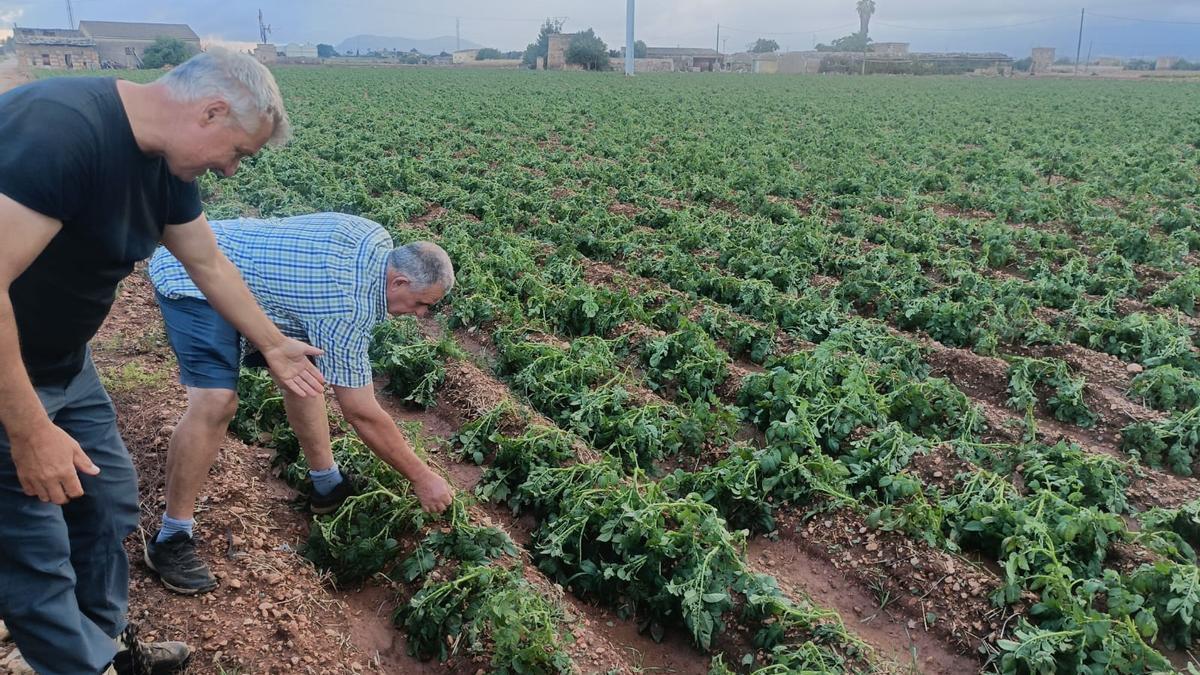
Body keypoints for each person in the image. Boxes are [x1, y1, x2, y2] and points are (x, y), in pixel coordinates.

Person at [0, 49, 328, 675]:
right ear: (210, 111)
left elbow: (207, 262)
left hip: (64, 362)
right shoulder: (62, 131)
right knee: (33, 544)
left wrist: (274, 342)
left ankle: (106, 647)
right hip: (9, 374)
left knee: (109, 500)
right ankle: (78, 662)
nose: (232, 171)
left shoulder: (163, 167)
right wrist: (28, 429)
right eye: (239, 152)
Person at [144, 213, 456, 595]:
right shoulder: (346, 304)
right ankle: (172, 538)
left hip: (256, 278)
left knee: (305, 374)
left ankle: (326, 484)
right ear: (400, 281)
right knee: (216, 402)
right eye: (422, 304)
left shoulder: (375, 238)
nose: (422, 315)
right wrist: (422, 478)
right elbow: (361, 412)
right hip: (193, 275)